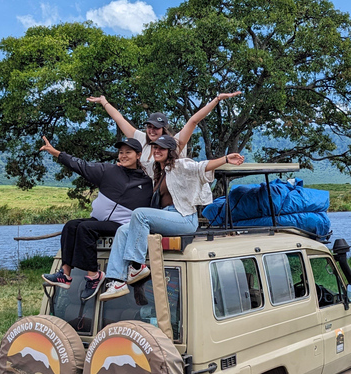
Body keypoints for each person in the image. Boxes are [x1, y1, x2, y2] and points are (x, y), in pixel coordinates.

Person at [100, 134, 245, 301]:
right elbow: (135, 164)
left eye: (161, 148)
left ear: (170, 151)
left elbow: (201, 167)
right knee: (123, 230)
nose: (157, 150)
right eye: (155, 147)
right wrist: (121, 165)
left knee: (139, 214)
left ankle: (136, 266)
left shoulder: (180, 165)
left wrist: (226, 158)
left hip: (184, 218)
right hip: (166, 217)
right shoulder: (156, 169)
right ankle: (116, 280)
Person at [38, 136, 152, 301]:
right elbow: (80, 165)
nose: (123, 155)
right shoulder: (109, 170)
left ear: (139, 155)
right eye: (121, 152)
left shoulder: (147, 181)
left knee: (85, 228)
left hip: (121, 225)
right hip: (100, 222)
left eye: (128, 152)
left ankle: (94, 275)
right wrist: (56, 153)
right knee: (71, 225)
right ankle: (65, 273)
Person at [86, 92, 242, 170]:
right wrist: (104, 101)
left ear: (164, 129)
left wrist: (217, 100)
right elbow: (119, 119)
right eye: (149, 127)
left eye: (156, 128)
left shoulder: (173, 143)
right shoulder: (141, 139)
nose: (152, 131)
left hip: (169, 194)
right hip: (147, 193)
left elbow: (193, 121)